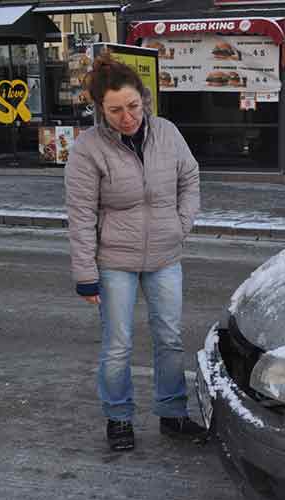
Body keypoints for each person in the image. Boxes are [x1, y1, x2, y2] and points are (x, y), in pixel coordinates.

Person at [64, 54, 204, 451]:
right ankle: (119, 418)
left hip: (164, 255)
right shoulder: (88, 149)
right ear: (100, 110)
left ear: (144, 100)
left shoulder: (168, 133)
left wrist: (182, 224)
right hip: (114, 262)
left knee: (170, 338)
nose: (127, 117)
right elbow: (80, 215)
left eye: (133, 107)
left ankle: (173, 413)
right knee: (118, 344)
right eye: (115, 110)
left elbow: (190, 178)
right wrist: (84, 274)